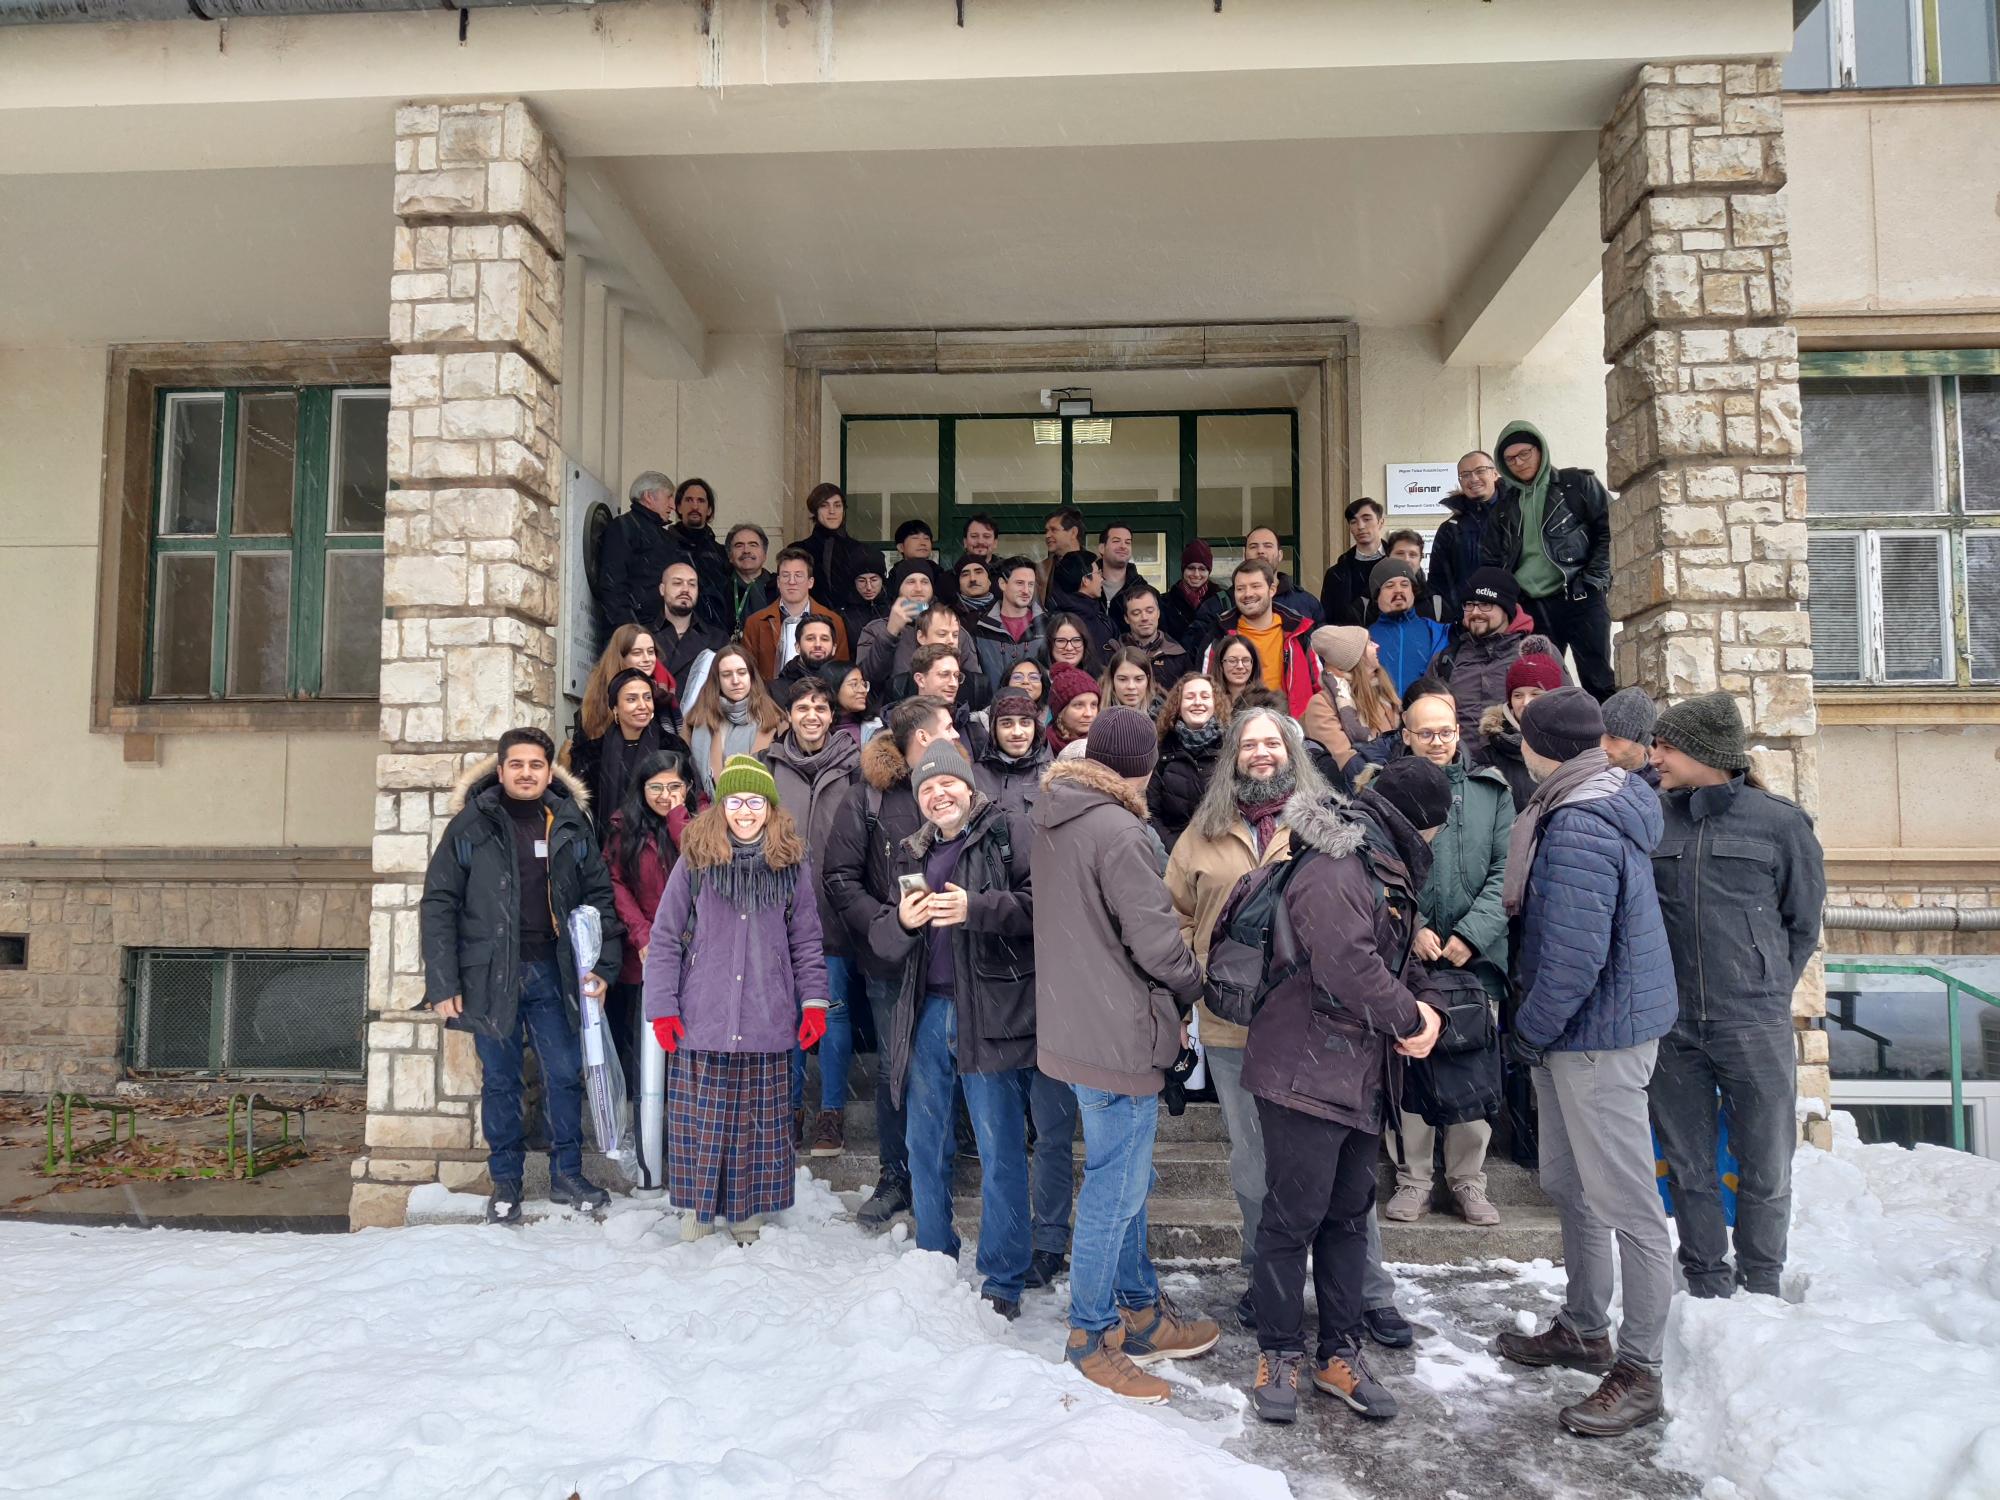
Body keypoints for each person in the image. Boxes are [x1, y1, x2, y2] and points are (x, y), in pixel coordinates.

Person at [1242, 755, 1449, 1424]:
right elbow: (1347, 964)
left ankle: (1339, 1352)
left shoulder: (1379, 861)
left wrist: (1429, 1010)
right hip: (1303, 1069)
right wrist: (1410, 1018)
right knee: (1292, 1217)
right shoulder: (1340, 864)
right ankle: (1279, 1350)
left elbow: (1391, 955)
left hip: (1353, 1070)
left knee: (1348, 1216)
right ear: (1423, 823)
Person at [1495, 688, 1677, 1438]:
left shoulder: (1577, 822)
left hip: (1595, 1036)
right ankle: (1583, 1327)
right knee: (1572, 1186)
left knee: (1628, 1204)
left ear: (1541, 747)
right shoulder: (1584, 799)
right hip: (1580, 1031)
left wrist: (1529, 1030)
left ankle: (1641, 1371)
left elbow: (1574, 957)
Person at [1032, 706, 1217, 1404]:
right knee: (1116, 1188)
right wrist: (1196, 983)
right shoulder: (1121, 830)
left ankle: (1139, 1310)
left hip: (1079, 1024)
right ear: (1143, 767)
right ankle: (1091, 1334)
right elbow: (1157, 942)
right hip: (1120, 1033)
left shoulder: (1054, 814)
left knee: (1125, 1178)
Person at [1648, 691, 1825, 1301]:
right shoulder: (1654, 818)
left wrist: (1764, 987)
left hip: (1753, 1022)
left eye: (1666, 746)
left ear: (1705, 753)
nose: (1655, 757)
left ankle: (1763, 1280)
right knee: (1687, 1161)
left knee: (1766, 1161)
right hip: (1672, 1023)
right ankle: (1705, 1279)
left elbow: (1802, 923)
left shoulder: (1781, 823)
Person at [420, 726, 620, 1222]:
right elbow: (440, 902)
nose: (526, 773)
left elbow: (599, 896)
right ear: (501, 769)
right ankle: (506, 1183)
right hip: (490, 976)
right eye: (517, 764)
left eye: (536, 765)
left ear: (549, 771)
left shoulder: (568, 822)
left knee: (563, 1075)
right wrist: (443, 983)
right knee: (501, 1081)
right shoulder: (472, 824)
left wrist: (603, 966)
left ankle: (567, 1174)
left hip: (556, 971)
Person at [871, 739, 1038, 1317]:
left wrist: (978, 909)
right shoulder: (911, 851)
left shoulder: (1007, 831)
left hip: (989, 1009)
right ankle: (935, 1253)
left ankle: (1004, 1277)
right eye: (927, 787)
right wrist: (901, 922)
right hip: (926, 1011)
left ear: (969, 787)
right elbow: (883, 941)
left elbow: (1040, 907)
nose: (938, 794)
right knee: (924, 1142)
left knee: (999, 1146)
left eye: (948, 783)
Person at [645, 755, 828, 1244]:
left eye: (755, 802)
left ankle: (747, 1211)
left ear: (770, 808)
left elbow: (806, 940)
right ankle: (698, 1209)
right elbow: (665, 936)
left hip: (767, 1014)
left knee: (757, 1125)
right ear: (720, 806)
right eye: (735, 801)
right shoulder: (696, 861)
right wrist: (662, 1008)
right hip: (704, 1013)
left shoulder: (790, 865)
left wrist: (814, 1002)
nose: (745, 812)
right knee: (702, 1124)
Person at [821, 696, 963, 1231]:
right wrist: (888, 924)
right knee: (894, 1068)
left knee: (956, 1062)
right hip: (892, 961)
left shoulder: (960, 785)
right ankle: (896, 1174)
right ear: (923, 737)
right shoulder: (867, 796)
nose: (957, 732)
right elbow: (839, 878)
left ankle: (941, 1168)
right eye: (947, 725)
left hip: (956, 957)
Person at [1382, 691, 1513, 1229]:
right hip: (1408, 956)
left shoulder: (1491, 791)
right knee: (1409, 1060)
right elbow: (1377, 867)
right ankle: (1413, 1177)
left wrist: (1472, 934)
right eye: (1426, 733)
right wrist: (1411, 928)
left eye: (1446, 731)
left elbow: (1506, 871)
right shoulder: (1385, 790)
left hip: (1474, 959)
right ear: (1406, 736)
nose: (1438, 742)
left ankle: (1467, 1179)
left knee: (1471, 1065)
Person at [762, 675, 866, 1157]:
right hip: (778, 911)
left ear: (831, 715)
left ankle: (831, 1113)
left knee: (833, 1012)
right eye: (803, 707)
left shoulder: (853, 766)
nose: (812, 716)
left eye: (820, 708)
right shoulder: (768, 766)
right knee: (786, 1015)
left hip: (833, 907)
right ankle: (789, 1110)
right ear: (788, 716)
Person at [1481, 422, 1614, 700]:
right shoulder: (1504, 507)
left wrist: (1593, 579)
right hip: (1533, 605)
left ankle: (1608, 729)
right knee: (1540, 683)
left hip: (1581, 596)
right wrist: (1509, 602)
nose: (1518, 463)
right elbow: (1492, 560)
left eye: (1524, 454)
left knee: (1598, 679)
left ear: (1540, 450)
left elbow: (1611, 529)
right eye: (1510, 459)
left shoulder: (1576, 484)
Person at [607, 749, 695, 1097]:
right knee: (645, 1049)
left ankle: (683, 1116)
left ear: (688, 787)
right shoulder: (623, 826)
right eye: (655, 787)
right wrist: (642, 934)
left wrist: (677, 816)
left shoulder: (702, 823)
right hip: (641, 951)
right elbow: (615, 882)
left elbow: (699, 860)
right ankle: (645, 1118)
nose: (665, 795)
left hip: (691, 949)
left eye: (674, 786)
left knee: (686, 1045)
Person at [1430, 566, 1545, 749]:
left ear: (1506, 609)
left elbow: (1564, 716)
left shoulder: (1538, 655)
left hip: (1520, 763)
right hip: (1460, 764)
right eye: (1469, 604)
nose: (1475, 612)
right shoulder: (1445, 660)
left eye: (1485, 604)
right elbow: (1427, 717)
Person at [574, 667, 691, 847]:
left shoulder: (673, 748)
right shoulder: (590, 754)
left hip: (661, 849)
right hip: (605, 851)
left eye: (647, 697)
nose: (642, 705)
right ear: (615, 707)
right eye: (631, 699)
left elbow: (688, 800)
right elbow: (583, 813)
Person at [1201, 560, 1322, 718]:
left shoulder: (1298, 633)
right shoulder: (1219, 636)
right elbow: (1205, 691)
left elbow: (1321, 688)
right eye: (1240, 588)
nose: (1248, 594)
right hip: (1237, 727)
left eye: (1255, 586)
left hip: (1293, 727)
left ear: (1272, 590)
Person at [1298, 626, 1402, 787]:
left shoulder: (1382, 693)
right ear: (1355, 658)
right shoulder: (1322, 705)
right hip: (1363, 793)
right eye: (1369, 643)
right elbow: (1346, 765)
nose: (1377, 646)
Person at [684, 644, 784, 794]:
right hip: (710, 806)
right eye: (726, 675)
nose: (735, 680)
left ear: (751, 677)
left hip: (759, 804)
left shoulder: (776, 721)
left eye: (742, 673)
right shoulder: (697, 721)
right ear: (717, 680)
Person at [741, 547, 850, 683]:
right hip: (770, 694)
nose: (791, 581)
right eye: (786, 575)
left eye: (798, 575)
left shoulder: (833, 621)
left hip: (820, 693)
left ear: (810, 582)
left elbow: (841, 673)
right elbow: (747, 672)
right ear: (778, 582)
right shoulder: (756, 622)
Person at [1478, 652, 1564, 812]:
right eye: (1518, 695)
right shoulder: (1489, 755)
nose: (1526, 702)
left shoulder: (1573, 745)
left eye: (1536, 694)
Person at [1147, 673, 1223, 850]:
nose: (1197, 702)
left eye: (1205, 696)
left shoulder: (1230, 748)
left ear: (1215, 703)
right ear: (1178, 704)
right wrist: (1176, 850)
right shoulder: (1161, 748)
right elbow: (1151, 812)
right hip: (1170, 851)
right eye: (1190, 697)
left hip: (1218, 849)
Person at [595, 470, 676, 635]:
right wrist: (628, 630)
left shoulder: (665, 537)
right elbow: (613, 584)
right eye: (668, 497)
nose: (673, 505)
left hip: (659, 632)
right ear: (649, 496)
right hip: (633, 632)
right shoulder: (623, 527)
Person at [1428, 452, 1502, 619]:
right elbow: (1438, 582)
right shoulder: (1450, 529)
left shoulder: (1518, 515)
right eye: (1465, 475)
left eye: (1480, 471)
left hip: (1516, 620)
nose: (1473, 479)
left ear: (1495, 473)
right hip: (1468, 622)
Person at [657, 477, 733, 636]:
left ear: (709, 510)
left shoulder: (720, 553)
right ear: (678, 507)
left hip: (713, 635)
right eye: (689, 500)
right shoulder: (663, 546)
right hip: (671, 634)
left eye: (701, 501)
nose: (695, 506)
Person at [1365, 558, 1450, 696]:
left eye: (1405, 585)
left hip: (1423, 708)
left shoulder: (1437, 633)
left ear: (1413, 591)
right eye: (1389, 586)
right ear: (1376, 595)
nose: (1398, 590)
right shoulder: (1365, 638)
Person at [799, 481, 883, 614]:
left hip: (854, 620)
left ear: (844, 510)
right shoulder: (800, 551)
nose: (832, 511)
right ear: (815, 511)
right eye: (824, 505)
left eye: (837, 505)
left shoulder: (861, 551)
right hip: (810, 619)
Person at [653, 560, 727, 701]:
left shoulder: (718, 639)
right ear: (662, 589)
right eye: (677, 583)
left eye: (692, 584)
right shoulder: (642, 636)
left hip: (701, 713)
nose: (685, 589)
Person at [969, 556, 1046, 687]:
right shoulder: (980, 627)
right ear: (1002, 584)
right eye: (1020, 583)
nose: (1026, 591)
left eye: (1031, 584)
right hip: (993, 700)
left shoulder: (1047, 625)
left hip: (1035, 700)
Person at [975, 691, 1052, 823]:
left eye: (1025, 723)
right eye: (1007, 724)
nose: (1017, 732)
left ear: (1036, 727)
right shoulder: (973, 777)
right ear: (994, 729)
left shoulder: (1054, 775)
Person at [1317, 497, 1388, 626]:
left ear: (1380, 522)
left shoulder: (1399, 566)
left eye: (1366, 519)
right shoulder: (1336, 574)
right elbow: (1327, 622)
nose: (1360, 526)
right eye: (1353, 521)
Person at [908, 643, 987, 758]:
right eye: (945, 675)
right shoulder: (897, 728)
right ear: (920, 680)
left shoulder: (975, 733)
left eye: (956, 676)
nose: (954, 684)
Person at [1116, 581, 1190, 690]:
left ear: (1158, 613)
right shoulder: (1113, 652)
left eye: (1150, 611)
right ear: (1126, 618)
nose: (1144, 618)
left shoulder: (1177, 655)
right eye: (1136, 613)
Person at [1047, 550, 1117, 664]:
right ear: (1085, 580)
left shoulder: (1104, 620)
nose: (1102, 579)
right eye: (1098, 573)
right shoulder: (1058, 623)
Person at [1162, 540, 1227, 660]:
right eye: (1191, 568)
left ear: (1209, 571)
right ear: (1183, 569)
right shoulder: (1165, 602)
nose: (1196, 574)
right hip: (1176, 666)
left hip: (1213, 665)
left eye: (1202, 569)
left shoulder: (1222, 600)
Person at [1244, 527, 1322, 624]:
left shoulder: (1306, 603)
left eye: (1268, 546)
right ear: (1245, 554)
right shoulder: (1229, 601)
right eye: (1253, 546)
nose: (1260, 551)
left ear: (1280, 555)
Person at [1600, 688, 1660, 784]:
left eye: (1613, 737)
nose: (1601, 745)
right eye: (1599, 734)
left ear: (1641, 742)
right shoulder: (1585, 767)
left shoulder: (1657, 788)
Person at [772, 616, 842, 696]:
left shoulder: (843, 687)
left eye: (824, 639)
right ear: (797, 647)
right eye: (810, 638)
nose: (818, 644)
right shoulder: (776, 689)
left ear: (834, 648)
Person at [724, 522, 776, 627]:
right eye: (739, 545)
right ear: (730, 556)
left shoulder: (779, 588)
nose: (746, 551)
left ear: (764, 554)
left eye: (753, 545)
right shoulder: (719, 590)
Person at [1045, 664, 1100, 757]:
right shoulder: (1041, 747)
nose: (1089, 713)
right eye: (1079, 705)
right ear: (1060, 711)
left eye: (1093, 705)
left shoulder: (1106, 745)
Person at [1099, 646, 1162, 718]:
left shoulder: (1163, 718)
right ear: (1112, 680)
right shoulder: (1093, 712)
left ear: (1148, 679)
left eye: (1138, 679)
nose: (1131, 686)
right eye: (1122, 679)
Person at [842, 563, 889, 656]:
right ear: (854, 582)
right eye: (861, 581)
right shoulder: (843, 614)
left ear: (882, 580)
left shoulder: (895, 610)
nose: (868, 587)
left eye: (874, 580)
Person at [1210, 634, 1263, 717]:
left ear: (1253, 664)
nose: (1240, 666)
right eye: (1232, 660)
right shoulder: (1208, 701)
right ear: (1221, 664)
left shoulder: (1265, 703)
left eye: (1246, 660)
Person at [825, 661, 877, 746]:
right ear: (833, 688)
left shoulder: (875, 727)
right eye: (854, 684)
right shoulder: (816, 729)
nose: (863, 690)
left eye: (863, 684)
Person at [1042, 613, 1098, 679]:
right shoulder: (1037, 679)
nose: (1069, 648)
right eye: (1061, 641)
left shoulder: (1102, 677)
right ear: (1050, 644)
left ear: (1085, 643)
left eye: (1076, 640)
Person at [1097, 523, 1138, 604]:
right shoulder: (1084, 587)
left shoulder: (1142, 589)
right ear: (1102, 548)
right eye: (1116, 541)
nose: (1123, 546)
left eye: (1127, 542)